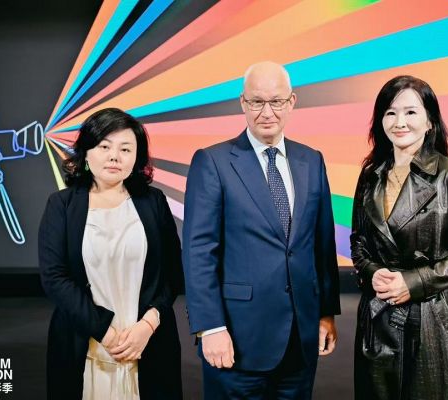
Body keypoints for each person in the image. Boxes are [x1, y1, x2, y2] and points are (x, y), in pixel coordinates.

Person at [182, 61, 341, 399]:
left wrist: (326, 313)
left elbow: (322, 244)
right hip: (237, 339)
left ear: (292, 102)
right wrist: (209, 326)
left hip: (301, 338)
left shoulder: (312, 160)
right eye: (256, 101)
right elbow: (198, 252)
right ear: (243, 103)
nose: (267, 112)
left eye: (277, 101)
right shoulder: (213, 161)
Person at [350, 75, 448, 400]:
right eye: (390, 112)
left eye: (410, 112)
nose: (400, 122)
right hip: (377, 312)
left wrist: (413, 281)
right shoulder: (370, 176)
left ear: (430, 121)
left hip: (430, 315)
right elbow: (359, 241)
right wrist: (372, 272)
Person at [38, 108, 184, 399]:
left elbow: (173, 272)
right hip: (84, 342)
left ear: (136, 158)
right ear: (86, 153)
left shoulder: (153, 201)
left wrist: (149, 324)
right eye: (104, 147)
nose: (114, 156)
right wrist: (105, 331)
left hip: (149, 341)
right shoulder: (62, 205)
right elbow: (55, 278)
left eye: (125, 149)